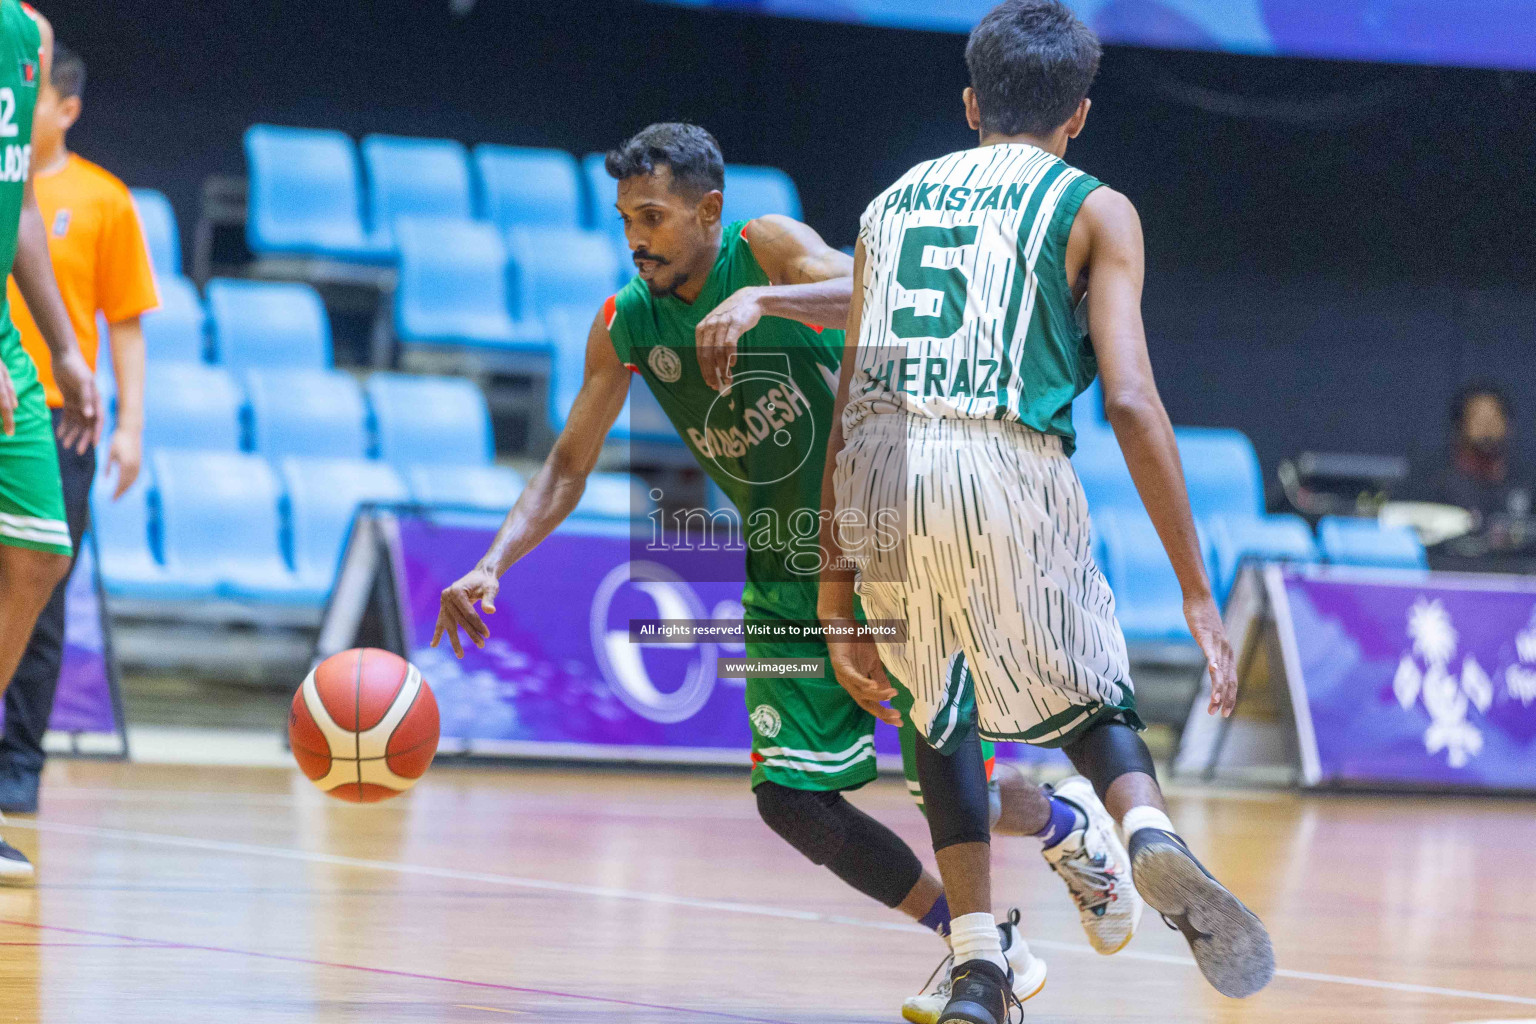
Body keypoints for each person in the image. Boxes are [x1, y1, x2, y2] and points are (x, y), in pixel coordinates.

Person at [432, 122, 1142, 1022]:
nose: (637, 237)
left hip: (890, 544)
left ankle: (1067, 827)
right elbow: (568, 465)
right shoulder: (626, 324)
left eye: (652, 215)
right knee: (791, 802)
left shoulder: (764, 245)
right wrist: (494, 561)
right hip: (782, 569)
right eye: (625, 221)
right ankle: (980, 944)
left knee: (948, 784)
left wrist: (765, 301)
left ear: (709, 210)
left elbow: (879, 295)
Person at [818, 3, 1273, 1021]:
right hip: (1003, 456)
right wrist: (1199, 591)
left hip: (885, 466)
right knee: (1091, 696)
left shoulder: (887, 206)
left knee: (939, 715)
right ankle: (1145, 830)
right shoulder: (1096, 206)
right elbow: (1131, 399)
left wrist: (832, 576)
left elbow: (850, 399)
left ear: (971, 103)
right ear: (1079, 116)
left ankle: (980, 963)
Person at [0, 40, 156, 815]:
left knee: (43, 581)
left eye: (30, 96)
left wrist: (130, 425)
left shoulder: (104, 198)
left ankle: (19, 761)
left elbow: (126, 324)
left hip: (58, 418)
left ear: (67, 108)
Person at [0, 0, 101, 881]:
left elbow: (17, 197)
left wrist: (65, 346)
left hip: (10, 335)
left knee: (38, 555)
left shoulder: (27, 35)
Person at [1430, 383, 1532, 524]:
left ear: (1508, 425)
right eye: (1478, 417)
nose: (1487, 426)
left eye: (1494, 416)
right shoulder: (1439, 484)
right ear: (1460, 426)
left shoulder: (1528, 482)